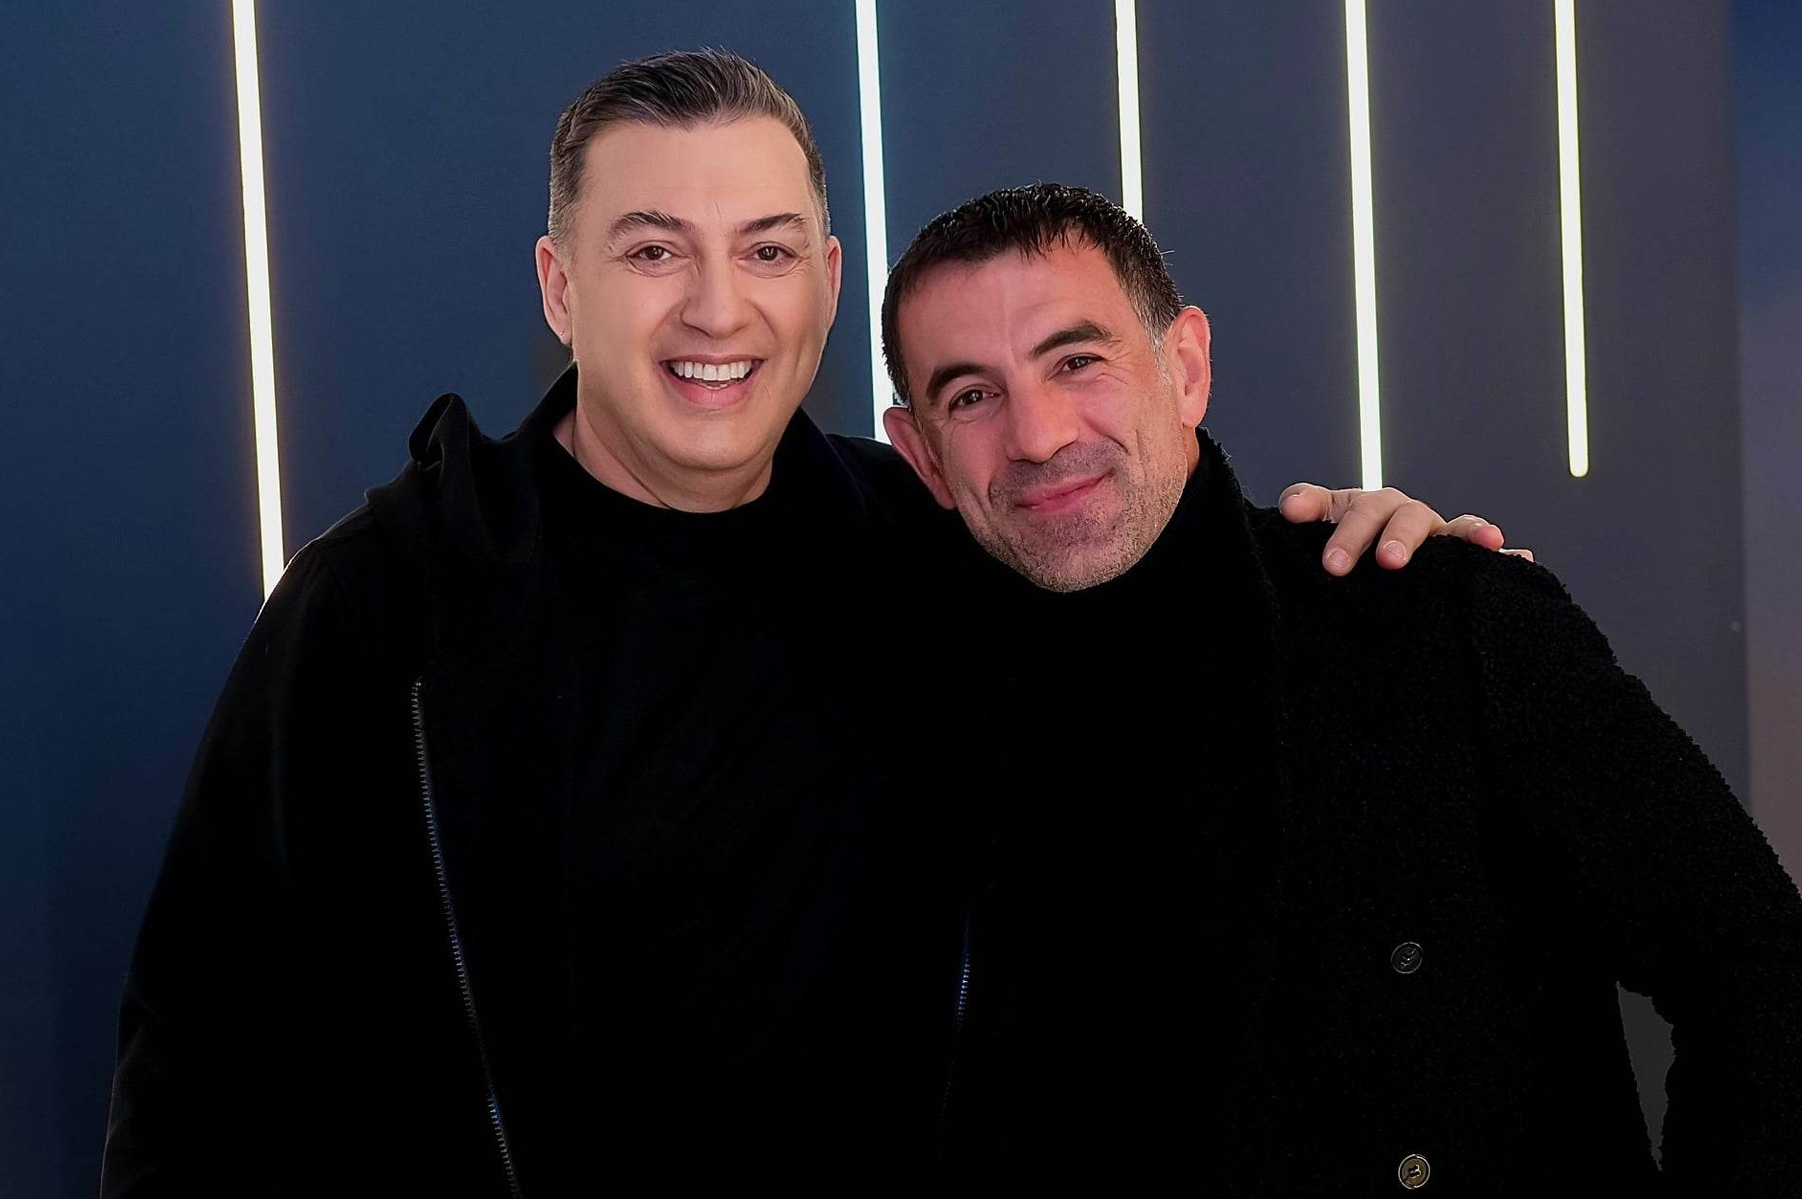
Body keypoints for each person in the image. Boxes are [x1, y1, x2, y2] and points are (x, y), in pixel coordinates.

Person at [102, 52, 1510, 1194]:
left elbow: (1168, 627)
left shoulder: (933, 548)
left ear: (827, 281)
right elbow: (201, 1084)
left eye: (765, 250)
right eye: (653, 249)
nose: (718, 308)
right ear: (559, 285)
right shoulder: (386, 609)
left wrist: (1374, 558)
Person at [878, 181, 1802, 1193]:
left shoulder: (1436, 615)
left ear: (1185, 368)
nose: (1038, 434)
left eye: (1076, 361)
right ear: (921, 454)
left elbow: (1757, 968)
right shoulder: (898, 723)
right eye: (971, 396)